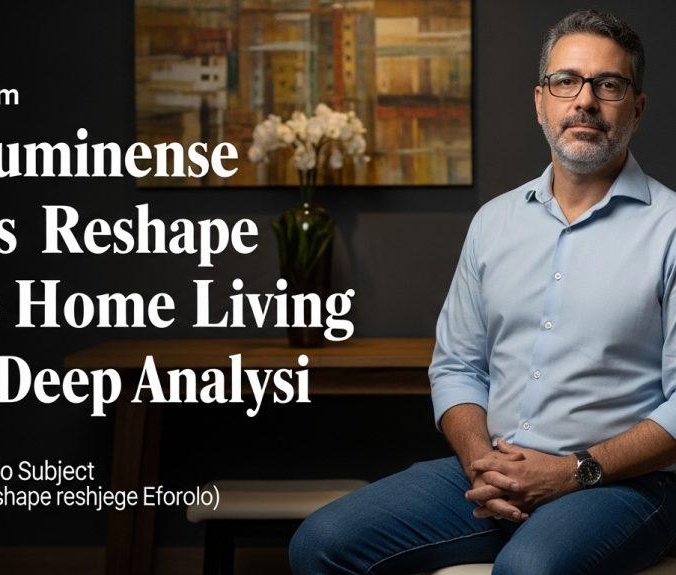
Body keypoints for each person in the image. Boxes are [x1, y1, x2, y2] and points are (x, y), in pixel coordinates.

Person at [289, 9, 676, 574]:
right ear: (539, 101)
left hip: (620, 485)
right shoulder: (494, 223)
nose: (585, 101)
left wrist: (571, 471)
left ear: (636, 109)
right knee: (319, 543)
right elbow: (457, 367)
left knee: (527, 570)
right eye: (566, 81)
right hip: (491, 468)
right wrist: (480, 462)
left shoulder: (669, 229)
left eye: (608, 85)